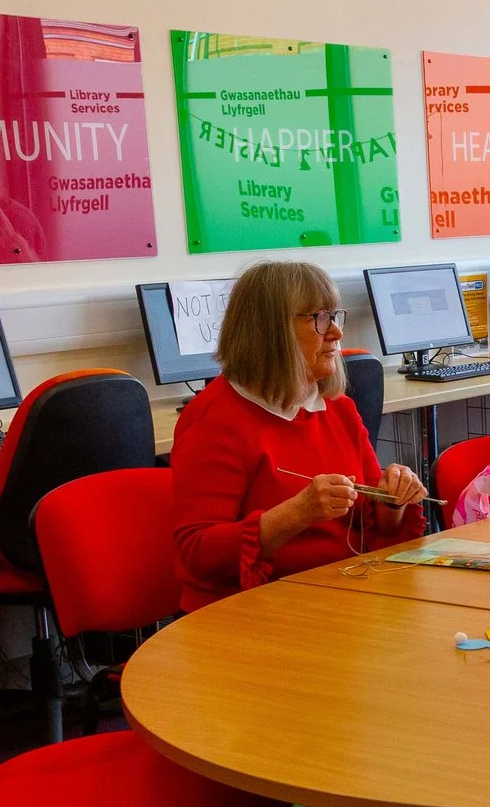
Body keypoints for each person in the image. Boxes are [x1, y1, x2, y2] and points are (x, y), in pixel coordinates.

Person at [172, 260, 425, 612]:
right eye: (320, 319)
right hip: (251, 612)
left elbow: (370, 526)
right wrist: (296, 514)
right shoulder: (214, 420)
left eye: (336, 317)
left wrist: (393, 501)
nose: (336, 333)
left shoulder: (338, 408)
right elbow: (198, 554)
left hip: (340, 595)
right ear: (271, 331)